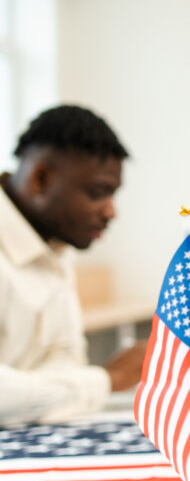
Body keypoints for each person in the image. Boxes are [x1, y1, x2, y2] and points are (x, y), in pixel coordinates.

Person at [0, 104, 145, 427]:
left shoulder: (55, 246)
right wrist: (109, 378)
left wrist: (74, 385)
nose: (111, 212)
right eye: (97, 193)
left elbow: (66, 363)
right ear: (40, 180)